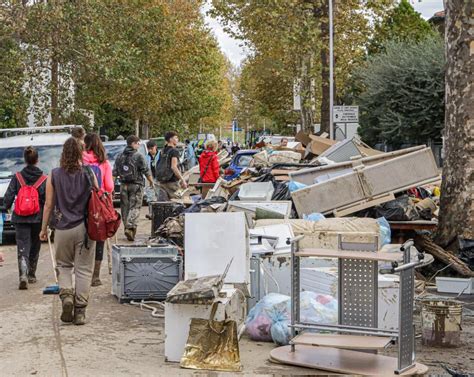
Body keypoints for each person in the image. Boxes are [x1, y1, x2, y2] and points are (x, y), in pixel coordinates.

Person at [39, 137, 98, 325]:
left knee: (64, 266)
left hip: (62, 227)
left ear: (63, 154)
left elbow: (48, 205)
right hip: (85, 228)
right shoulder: (89, 173)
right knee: (84, 269)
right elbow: (98, 195)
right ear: (81, 153)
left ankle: (66, 297)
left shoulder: (54, 174)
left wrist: (43, 229)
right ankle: (80, 311)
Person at [3, 147, 47, 290]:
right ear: (37, 160)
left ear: (25, 160)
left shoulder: (17, 177)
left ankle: (23, 274)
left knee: (22, 246)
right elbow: (48, 200)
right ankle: (32, 275)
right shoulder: (43, 179)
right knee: (35, 245)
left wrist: (7, 207)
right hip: (37, 218)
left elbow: (9, 196)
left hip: (20, 218)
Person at [83, 133, 114, 286]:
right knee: (100, 236)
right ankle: (96, 276)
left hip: (82, 203)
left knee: (85, 237)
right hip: (99, 203)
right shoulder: (104, 163)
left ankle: (83, 273)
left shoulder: (80, 160)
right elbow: (109, 186)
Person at [113, 135, 153, 241]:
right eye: (138, 143)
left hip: (123, 185)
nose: (139, 145)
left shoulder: (119, 156)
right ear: (133, 144)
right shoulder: (138, 156)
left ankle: (127, 226)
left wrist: (112, 186)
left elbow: (114, 172)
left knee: (124, 208)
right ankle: (130, 227)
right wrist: (151, 182)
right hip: (136, 185)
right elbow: (146, 170)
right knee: (135, 207)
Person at [155, 131, 187, 200]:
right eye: (176, 138)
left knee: (164, 205)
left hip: (162, 182)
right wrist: (182, 179)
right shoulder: (174, 151)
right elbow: (174, 167)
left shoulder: (162, 151)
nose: (177, 139)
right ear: (171, 139)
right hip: (172, 182)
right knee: (177, 202)